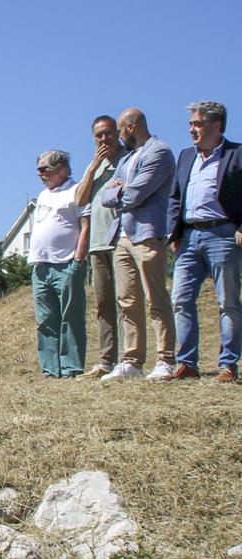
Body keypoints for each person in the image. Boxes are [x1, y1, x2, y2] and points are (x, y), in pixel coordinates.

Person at [166, 101, 242, 383]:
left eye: (198, 124)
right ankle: (187, 363)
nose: (192, 130)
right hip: (188, 238)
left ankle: (228, 365)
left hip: (223, 235)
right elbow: (176, 197)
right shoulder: (186, 156)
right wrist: (174, 234)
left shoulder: (237, 154)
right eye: (191, 125)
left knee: (228, 302)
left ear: (217, 126)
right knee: (181, 299)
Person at [98, 108, 177, 382]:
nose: (119, 137)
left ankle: (166, 360)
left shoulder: (160, 152)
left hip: (147, 234)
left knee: (156, 298)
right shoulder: (129, 158)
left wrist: (120, 189)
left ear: (130, 127)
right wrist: (119, 190)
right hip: (121, 236)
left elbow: (135, 194)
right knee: (127, 301)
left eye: (120, 130)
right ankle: (132, 361)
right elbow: (104, 196)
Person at [27, 149, 89, 378]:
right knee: (45, 320)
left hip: (65, 263)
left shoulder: (76, 191)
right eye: (38, 170)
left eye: (44, 169)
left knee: (70, 317)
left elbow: (85, 225)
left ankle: (71, 367)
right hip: (41, 265)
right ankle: (50, 368)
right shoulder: (43, 195)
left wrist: (78, 261)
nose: (40, 174)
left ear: (61, 168)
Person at [74, 115, 125, 378]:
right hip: (98, 243)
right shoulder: (95, 166)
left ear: (118, 133)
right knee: (103, 304)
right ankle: (106, 359)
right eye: (99, 135)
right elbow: (79, 199)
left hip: (122, 240)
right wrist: (93, 167)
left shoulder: (128, 159)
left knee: (126, 301)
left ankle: (129, 359)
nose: (104, 139)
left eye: (108, 133)